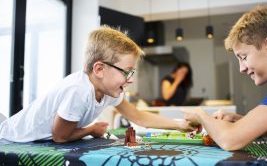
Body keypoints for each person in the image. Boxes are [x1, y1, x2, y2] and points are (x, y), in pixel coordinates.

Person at [0, 25, 195, 143]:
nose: (131, 78)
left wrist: (178, 124)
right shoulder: (79, 90)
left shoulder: (110, 91)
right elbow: (60, 136)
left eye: (132, 72)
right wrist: (91, 129)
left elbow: (138, 117)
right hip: (9, 138)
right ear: (100, 69)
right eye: (127, 71)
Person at [184, 5, 267, 165]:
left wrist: (200, 114)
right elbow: (265, 129)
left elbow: (229, 140)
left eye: (243, 57)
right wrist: (238, 119)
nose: (241, 68)